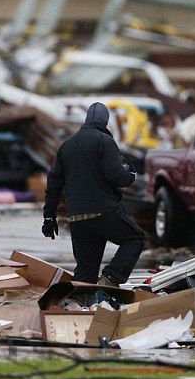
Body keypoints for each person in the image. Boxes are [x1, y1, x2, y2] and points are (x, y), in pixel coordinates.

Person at [42, 102, 145, 285]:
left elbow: (54, 184)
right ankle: (110, 278)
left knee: (85, 273)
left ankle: (81, 307)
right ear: (105, 121)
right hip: (103, 212)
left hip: (77, 218)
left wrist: (49, 217)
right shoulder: (104, 141)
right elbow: (116, 176)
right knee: (134, 239)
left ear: (87, 119)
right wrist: (130, 175)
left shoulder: (67, 146)